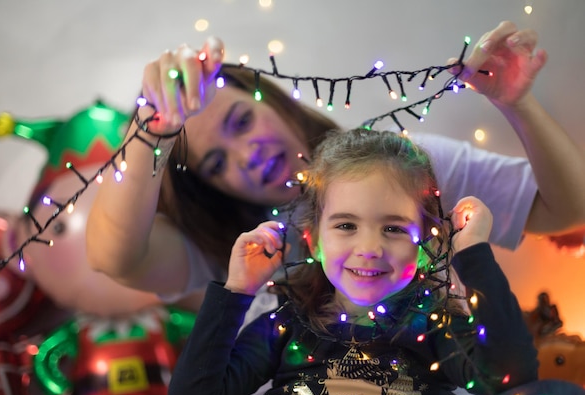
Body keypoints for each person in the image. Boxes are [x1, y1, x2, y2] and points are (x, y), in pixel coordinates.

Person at [85, 21, 585, 311]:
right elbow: (114, 258)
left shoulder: (404, 168)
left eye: (241, 121)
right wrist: (152, 131)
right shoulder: (231, 246)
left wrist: (518, 104)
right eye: (217, 162)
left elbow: (565, 211)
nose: (248, 154)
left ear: (274, 101)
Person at [167, 128, 584, 395]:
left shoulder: (430, 321)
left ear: (426, 242)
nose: (369, 249)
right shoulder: (290, 319)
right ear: (313, 241)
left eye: (394, 228)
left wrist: (472, 252)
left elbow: (512, 378)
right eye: (346, 225)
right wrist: (239, 289)